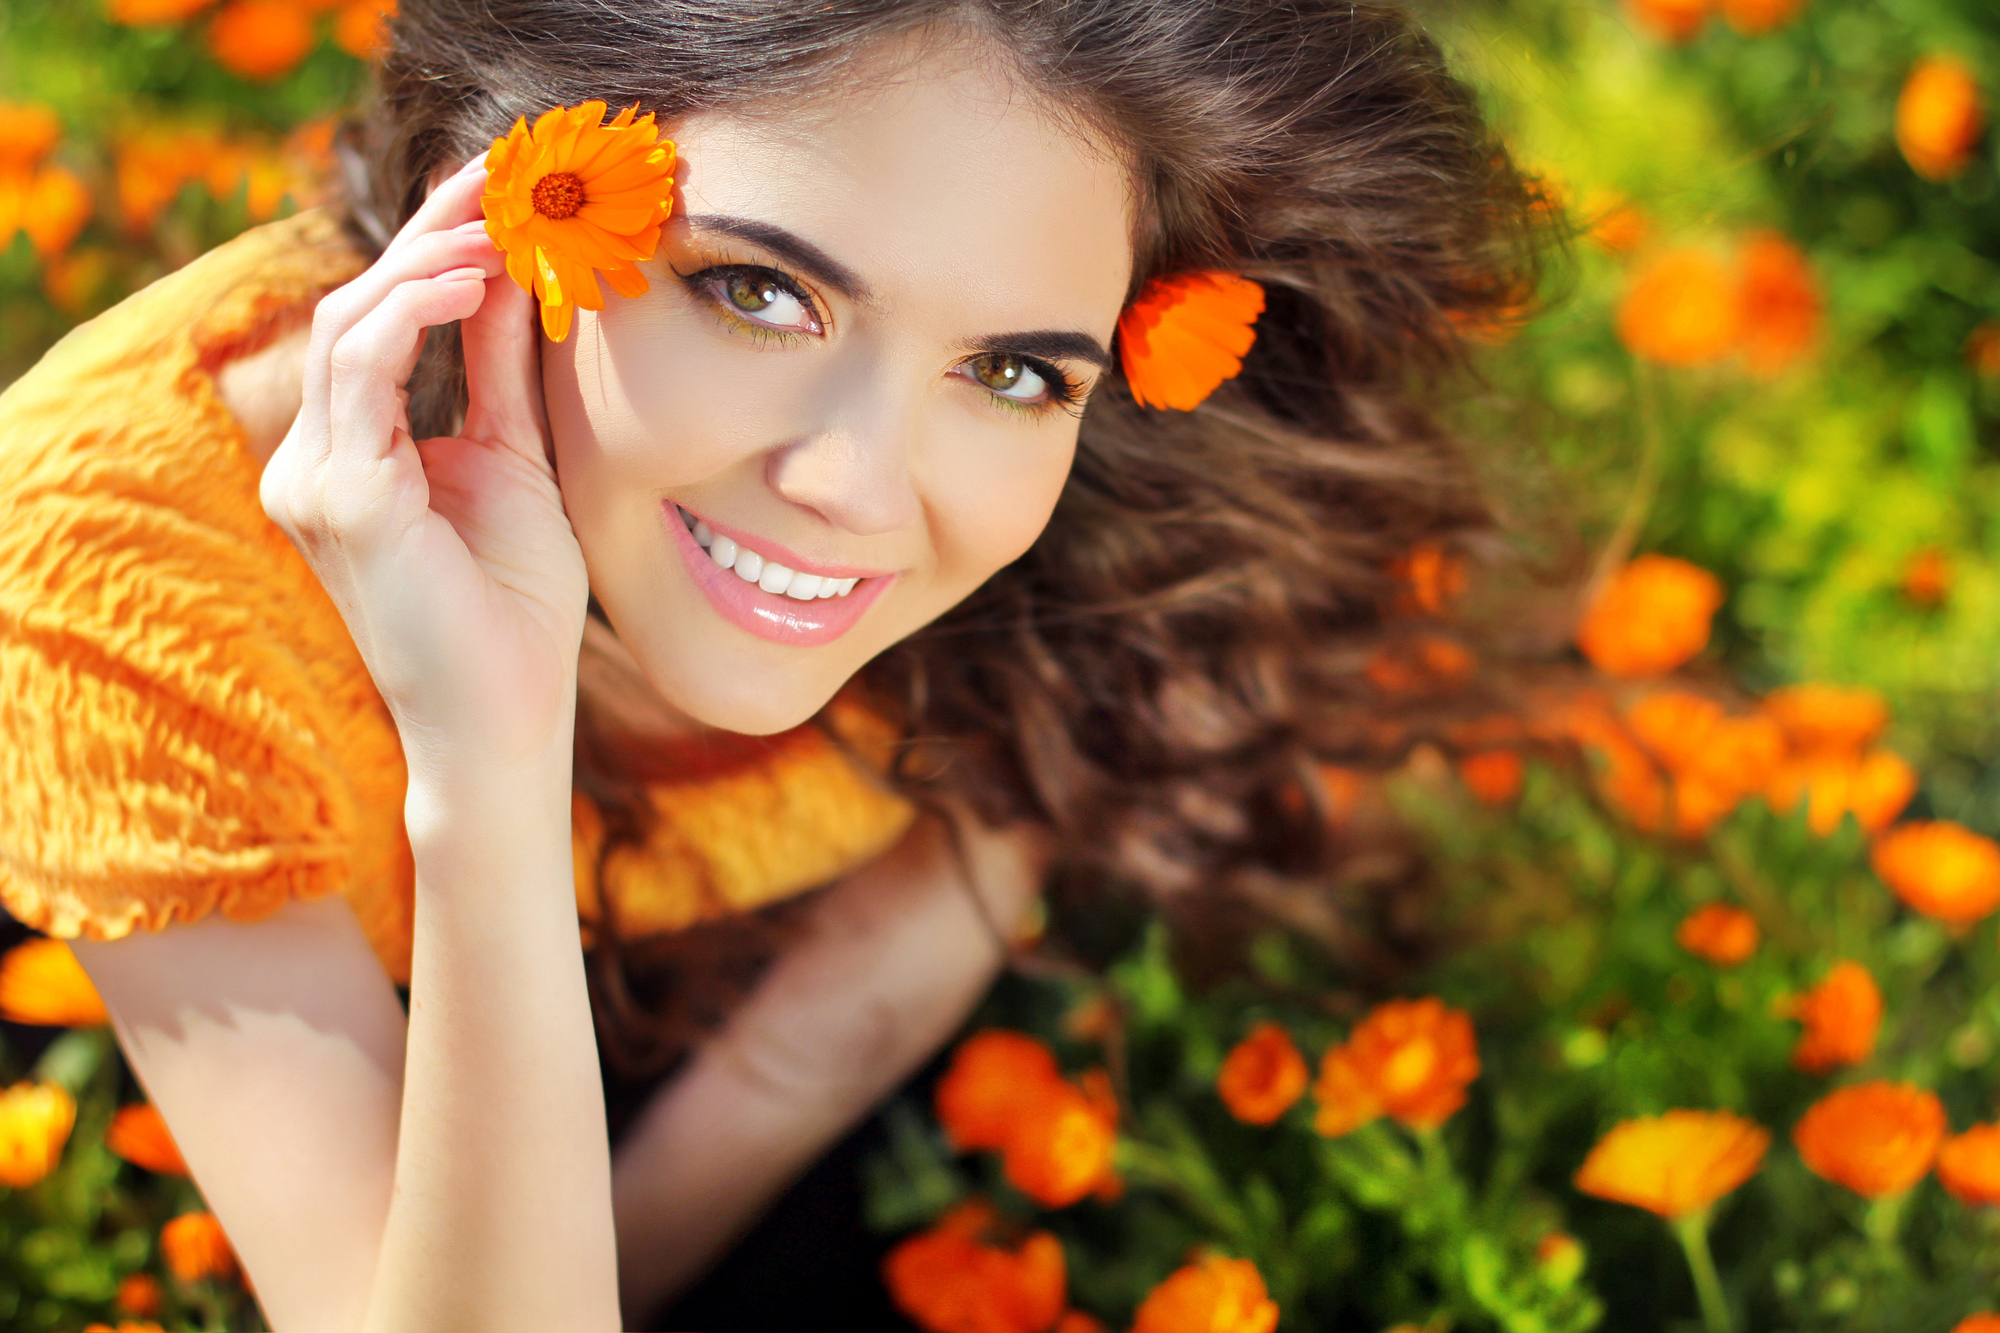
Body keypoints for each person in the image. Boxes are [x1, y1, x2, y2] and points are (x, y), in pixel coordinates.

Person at [0, 0, 1546, 1327]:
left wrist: (833, 1027)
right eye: (756, 292)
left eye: (1011, 371)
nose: (862, 488)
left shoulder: (1119, 516)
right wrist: (487, 763)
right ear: (514, 206)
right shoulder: (117, 574)